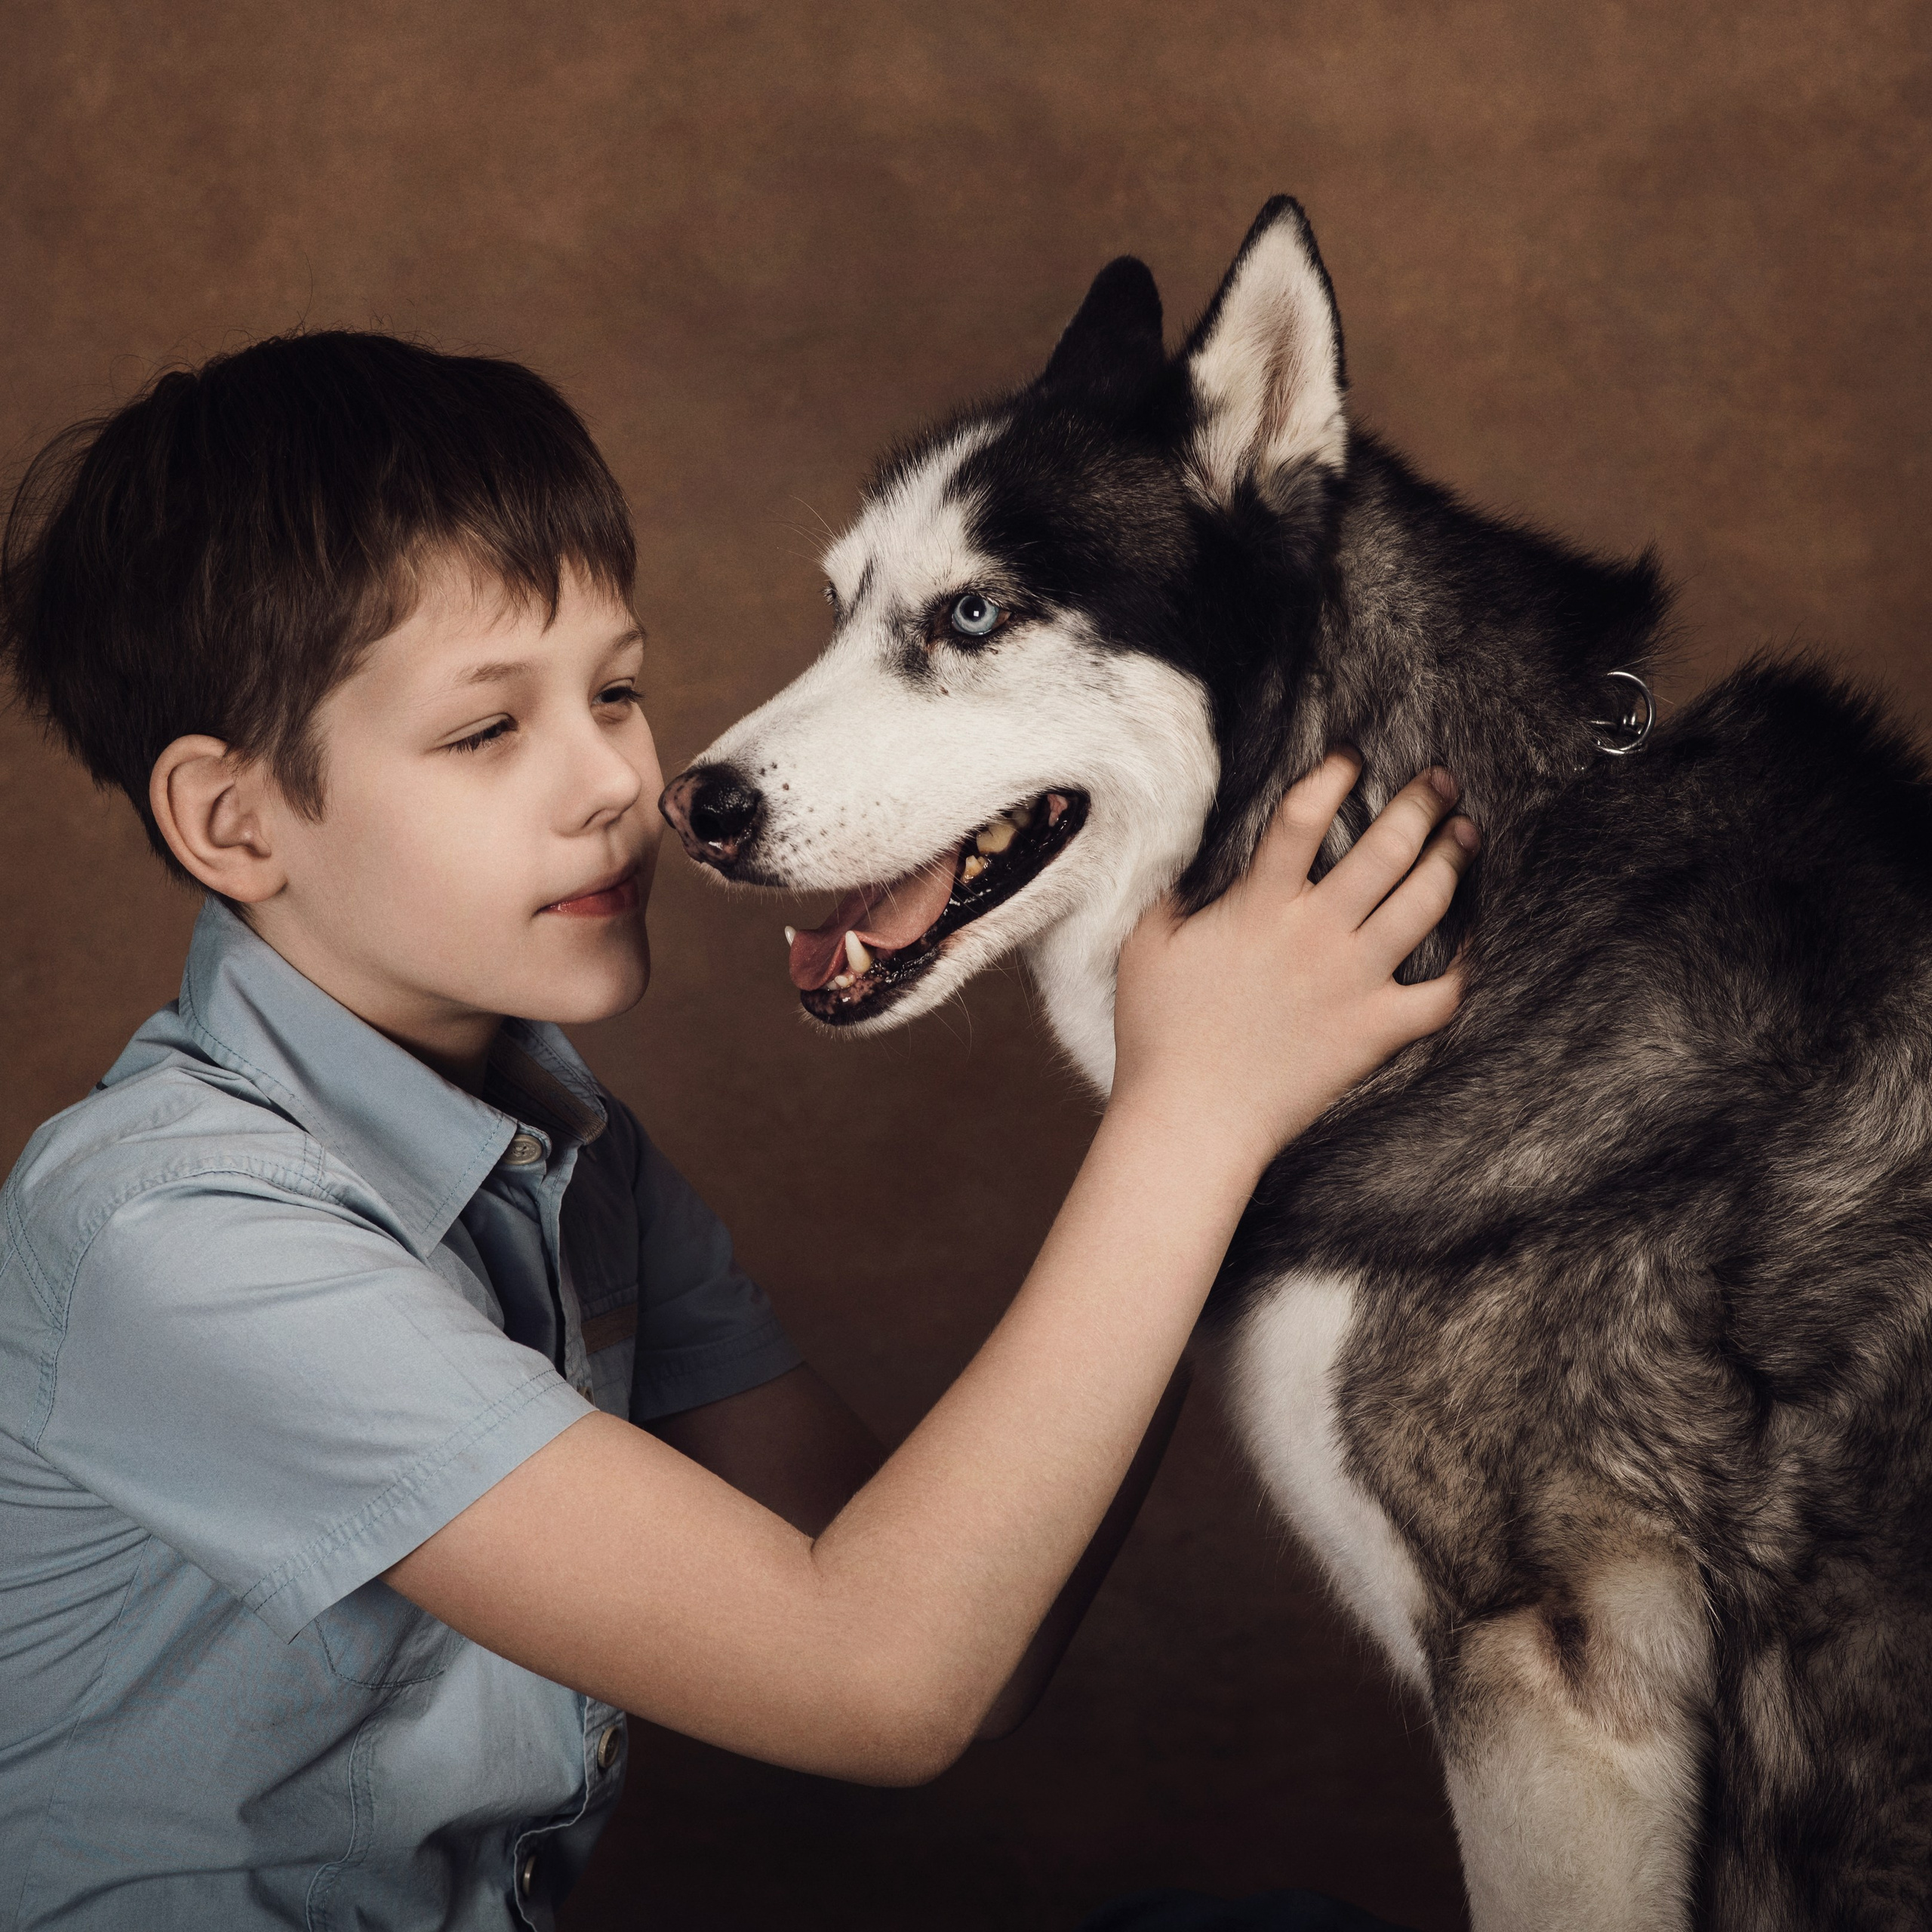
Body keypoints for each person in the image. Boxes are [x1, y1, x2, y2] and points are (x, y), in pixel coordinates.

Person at [0, 331, 1476, 1931]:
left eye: (617, 691)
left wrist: (1228, 1121)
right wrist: (1191, 1113)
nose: (620, 787)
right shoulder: (174, 1230)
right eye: (487, 731)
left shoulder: (566, 1155)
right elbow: (880, 1675)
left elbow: (974, 1633)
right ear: (236, 819)